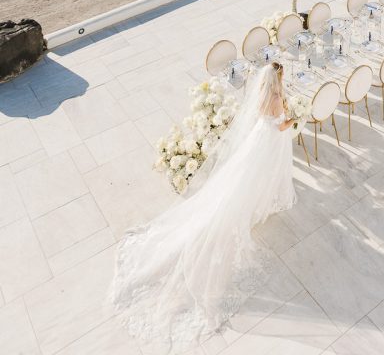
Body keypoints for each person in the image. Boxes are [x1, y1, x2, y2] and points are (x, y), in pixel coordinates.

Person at [111, 62, 297, 350]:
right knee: (254, 181)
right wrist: (295, 119)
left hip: (259, 142)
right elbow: (280, 123)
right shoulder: (274, 98)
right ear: (278, 79)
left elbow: (266, 117)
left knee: (242, 178)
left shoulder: (264, 92)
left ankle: (251, 206)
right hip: (268, 142)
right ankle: (247, 209)